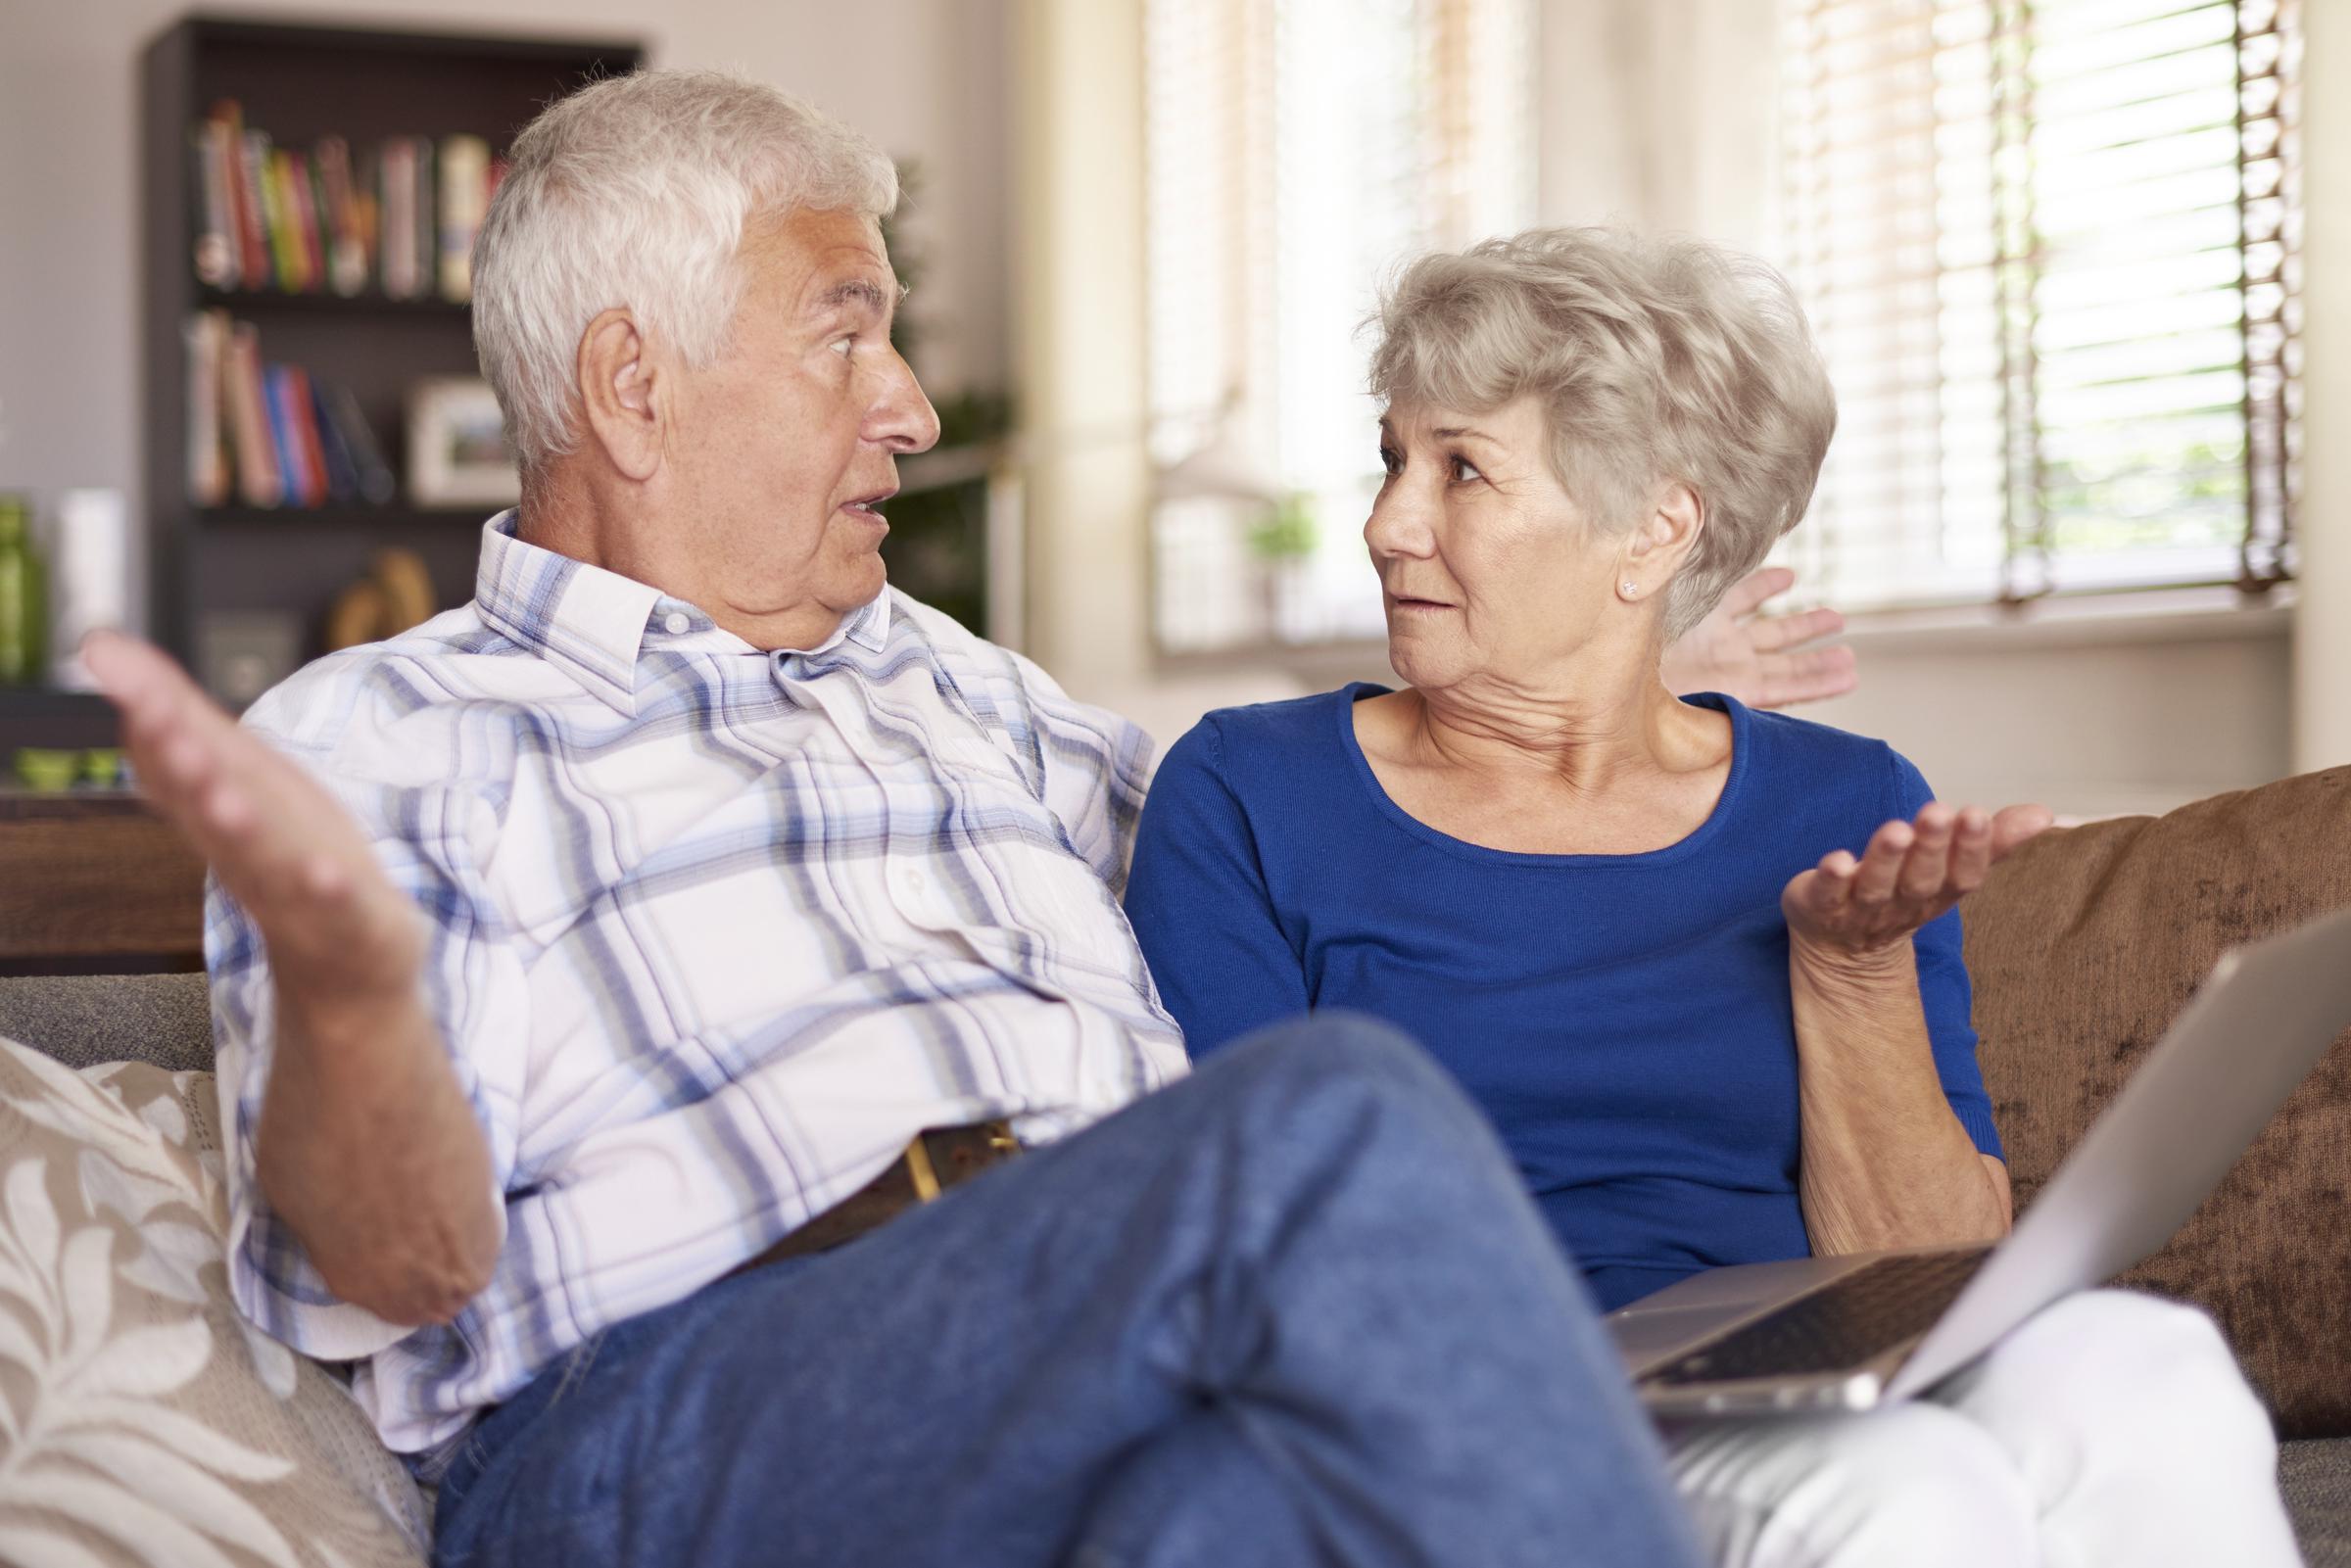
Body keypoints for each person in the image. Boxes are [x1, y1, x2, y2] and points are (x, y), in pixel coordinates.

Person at [83, 72, 1861, 1568]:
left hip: (1097, 1363)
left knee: (1243, 1511)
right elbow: (376, 1275)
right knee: (1327, 1122)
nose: (914, 408)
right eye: (846, 332)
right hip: (668, 1422)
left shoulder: (956, 684)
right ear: (634, 388)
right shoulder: (387, 732)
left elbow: (1336, 815)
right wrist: (351, 1003)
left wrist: (1608, 651)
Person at [1121, 226, 2301, 1568]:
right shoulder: (1250, 792)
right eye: (1394, 459)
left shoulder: (1843, 803)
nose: (1389, 521)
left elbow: (1930, 1267)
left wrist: (1850, 972)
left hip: (1794, 1376)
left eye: (1462, 469)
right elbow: (1248, 1235)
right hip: (1478, 1419)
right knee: (1906, 1489)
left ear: (1655, 529)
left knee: (2141, 1362)